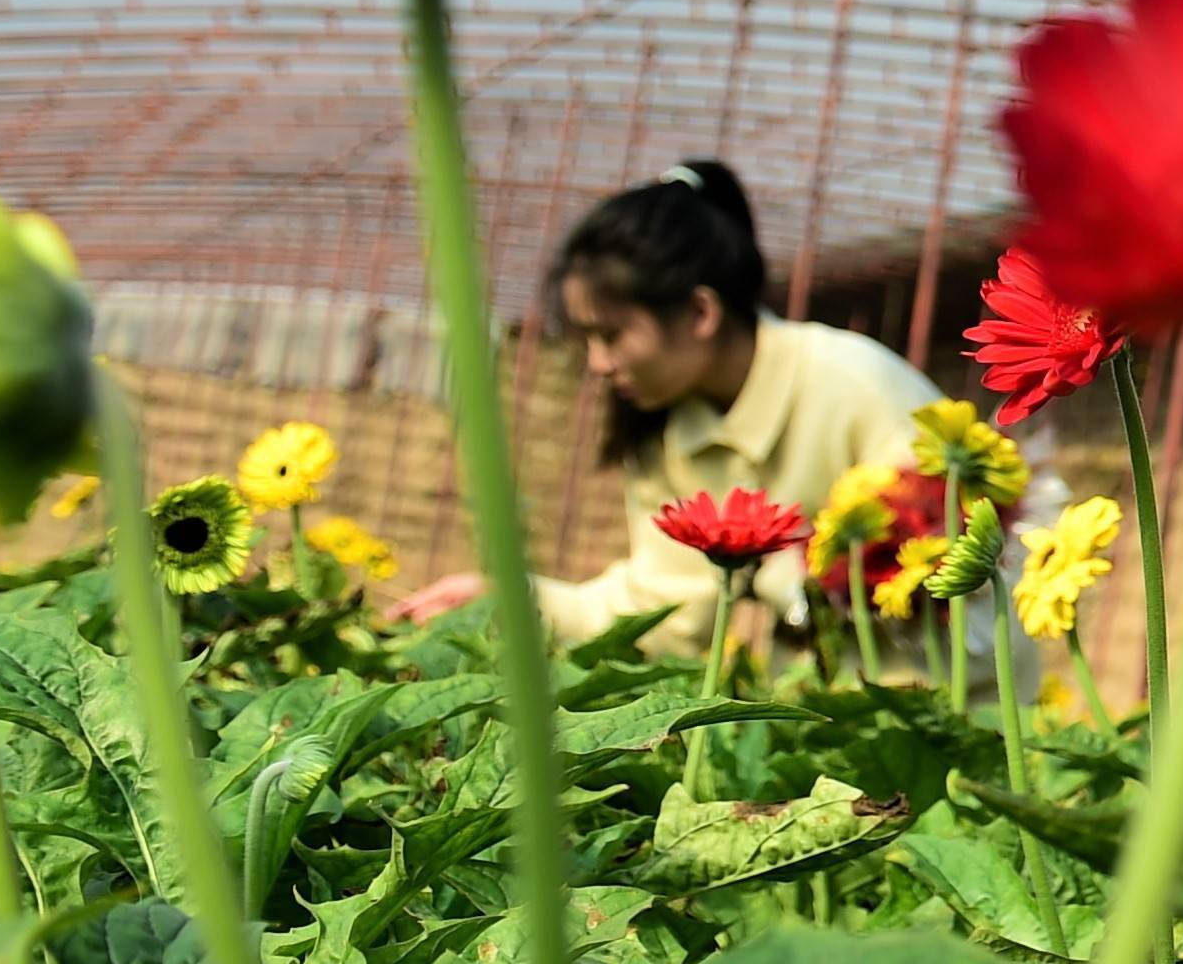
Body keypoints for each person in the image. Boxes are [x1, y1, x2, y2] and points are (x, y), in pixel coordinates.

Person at [394, 160, 941, 654]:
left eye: (610, 335)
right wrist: (514, 600)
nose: (598, 364)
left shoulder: (852, 383)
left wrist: (788, 574)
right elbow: (669, 608)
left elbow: (947, 541)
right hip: (815, 718)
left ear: (700, 312)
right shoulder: (666, 432)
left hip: (955, 706)